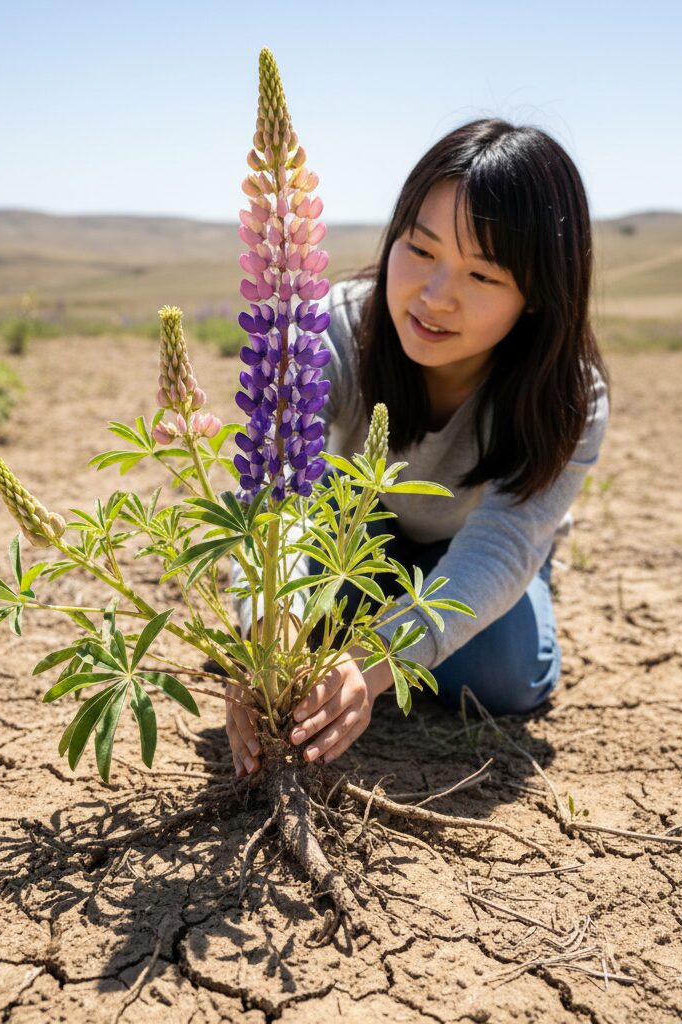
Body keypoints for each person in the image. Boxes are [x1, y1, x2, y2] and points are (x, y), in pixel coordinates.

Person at [226, 118, 609, 780]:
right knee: (296, 612)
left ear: (537, 299)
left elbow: (502, 545)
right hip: (352, 534)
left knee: (507, 676)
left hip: (473, 543)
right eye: (421, 249)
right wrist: (266, 631)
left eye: (484, 276)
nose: (436, 297)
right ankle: (334, 636)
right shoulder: (332, 330)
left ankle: (369, 640)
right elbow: (275, 492)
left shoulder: (569, 397)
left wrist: (375, 661)